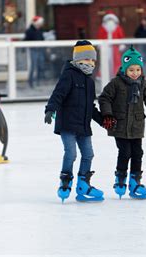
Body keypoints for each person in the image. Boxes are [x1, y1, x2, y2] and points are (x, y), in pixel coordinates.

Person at [98, 46, 146, 200]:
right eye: (131, 70)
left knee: (138, 153)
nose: (135, 73)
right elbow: (104, 98)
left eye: (138, 69)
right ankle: (121, 178)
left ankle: (135, 181)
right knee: (125, 152)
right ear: (124, 69)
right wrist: (108, 114)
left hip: (137, 125)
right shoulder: (116, 83)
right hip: (120, 125)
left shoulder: (143, 83)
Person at [44, 40, 104, 203]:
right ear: (78, 60)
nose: (90, 63)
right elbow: (58, 94)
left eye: (93, 60)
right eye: (87, 60)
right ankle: (65, 180)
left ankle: (83, 184)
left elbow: (91, 107)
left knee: (88, 154)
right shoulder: (69, 75)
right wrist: (50, 109)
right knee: (71, 153)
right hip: (68, 124)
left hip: (83, 126)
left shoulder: (90, 82)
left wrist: (103, 121)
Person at [97, 11, 126, 76]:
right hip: (105, 47)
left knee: (116, 61)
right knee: (104, 61)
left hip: (115, 47)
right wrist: (100, 44)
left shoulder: (118, 27)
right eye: (109, 19)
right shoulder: (102, 27)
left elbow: (121, 36)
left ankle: (117, 74)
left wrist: (121, 44)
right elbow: (100, 36)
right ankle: (103, 75)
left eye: (111, 19)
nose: (110, 21)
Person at [24, 16, 45, 88]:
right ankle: (31, 82)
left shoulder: (40, 30)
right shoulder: (29, 30)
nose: (40, 25)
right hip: (33, 50)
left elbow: (42, 39)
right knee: (33, 66)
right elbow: (26, 40)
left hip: (40, 49)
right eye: (39, 24)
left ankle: (38, 81)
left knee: (40, 65)